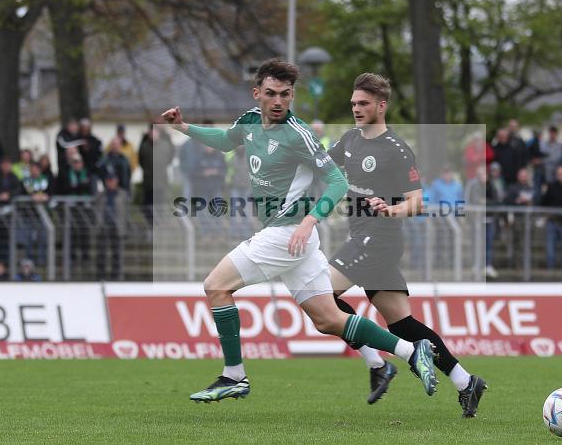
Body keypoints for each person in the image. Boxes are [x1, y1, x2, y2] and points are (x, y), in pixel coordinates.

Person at [160, 58, 438, 403]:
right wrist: (183, 127)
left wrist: (310, 220)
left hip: (287, 231)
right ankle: (412, 352)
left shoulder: (298, 134)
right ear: (257, 93)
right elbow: (224, 140)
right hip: (293, 241)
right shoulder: (249, 122)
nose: (279, 102)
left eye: (286, 95)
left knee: (216, 286)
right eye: (272, 94)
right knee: (329, 320)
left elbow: (336, 181)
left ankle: (234, 376)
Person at [327, 72, 486, 417]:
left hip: (378, 238)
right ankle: (465, 381)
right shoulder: (350, 140)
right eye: (353, 103)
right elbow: (323, 166)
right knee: (402, 325)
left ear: (381, 106)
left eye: (364, 103)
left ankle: (376, 363)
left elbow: (417, 202)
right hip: (361, 236)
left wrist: (391, 208)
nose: (356, 108)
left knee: (321, 296)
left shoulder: (396, 149)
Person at [94, 172, 129, 279]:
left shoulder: (122, 194)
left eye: (112, 180)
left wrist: (125, 227)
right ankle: (101, 276)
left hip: (117, 227)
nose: (110, 183)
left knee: (117, 253)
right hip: (104, 226)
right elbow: (97, 210)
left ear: (116, 181)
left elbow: (126, 212)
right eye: (108, 180)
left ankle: (116, 276)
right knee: (102, 253)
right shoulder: (100, 195)